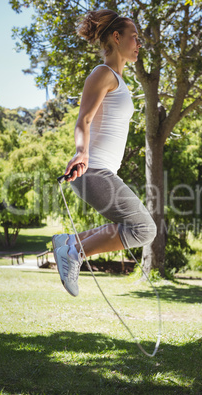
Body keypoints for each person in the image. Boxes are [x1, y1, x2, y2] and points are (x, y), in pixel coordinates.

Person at [52, 9, 157, 297]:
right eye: (134, 37)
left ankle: (69, 243)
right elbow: (83, 119)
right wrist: (81, 152)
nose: (138, 43)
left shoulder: (121, 82)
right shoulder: (103, 73)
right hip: (92, 170)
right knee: (143, 229)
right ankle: (74, 251)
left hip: (102, 172)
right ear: (116, 36)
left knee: (136, 227)